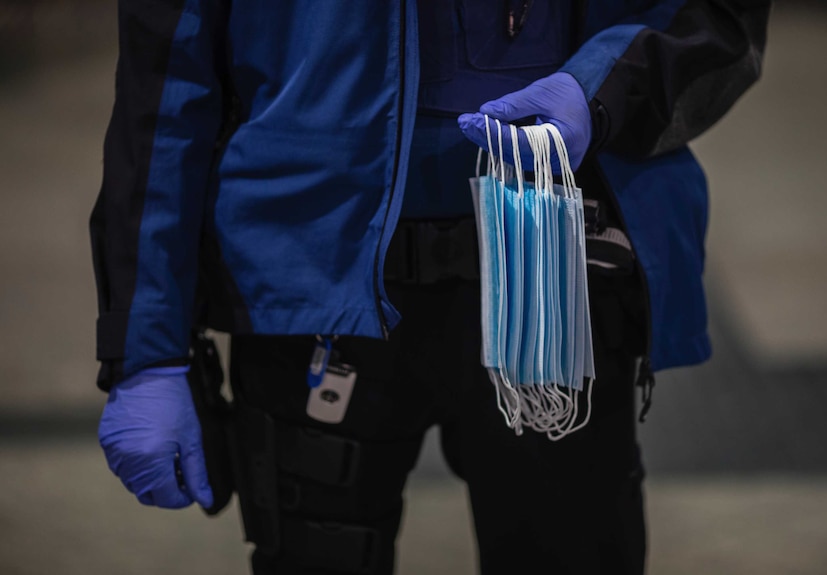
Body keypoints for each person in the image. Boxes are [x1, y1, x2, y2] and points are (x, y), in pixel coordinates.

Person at [92, 1, 771, 573]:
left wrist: (606, 86)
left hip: (555, 277)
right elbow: (166, 84)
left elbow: (719, 14)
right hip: (316, 289)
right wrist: (146, 351)